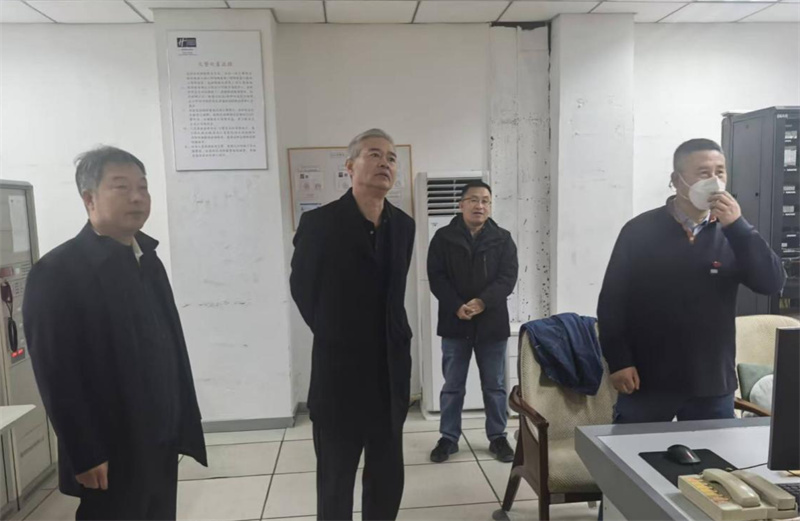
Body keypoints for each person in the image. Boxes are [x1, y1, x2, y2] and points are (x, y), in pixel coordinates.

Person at [23, 146, 207, 520]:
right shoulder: (58, 272)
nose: (137, 197)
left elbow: (168, 344)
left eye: (143, 187)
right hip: (111, 447)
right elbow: (57, 375)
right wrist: (84, 452)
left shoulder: (148, 259)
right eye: (121, 187)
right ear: (89, 199)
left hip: (160, 437)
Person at [598, 138, 785, 425]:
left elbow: (771, 283)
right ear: (676, 180)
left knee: (714, 455)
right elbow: (612, 303)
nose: (714, 181)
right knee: (631, 451)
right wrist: (619, 361)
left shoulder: (735, 235)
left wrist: (739, 227)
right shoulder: (639, 231)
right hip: (647, 379)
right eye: (703, 173)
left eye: (720, 172)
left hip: (711, 382)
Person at [290, 129, 415, 521]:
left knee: (387, 477)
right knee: (336, 480)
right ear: (350, 166)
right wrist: (336, 332)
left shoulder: (404, 226)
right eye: (374, 154)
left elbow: (393, 294)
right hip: (339, 374)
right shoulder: (319, 223)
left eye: (391, 158)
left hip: (389, 373)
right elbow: (303, 290)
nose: (385, 163)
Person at [427, 180, 519, 463]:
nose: (480, 206)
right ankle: (448, 438)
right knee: (453, 385)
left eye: (486, 201)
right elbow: (436, 277)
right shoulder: (443, 238)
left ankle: (498, 437)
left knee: (494, 385)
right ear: (461, 204)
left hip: (491, 323)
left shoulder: (502, 238)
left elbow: (508, 278)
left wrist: (482, 302)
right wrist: (456, 305)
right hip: (455, 322)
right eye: (474, 200)